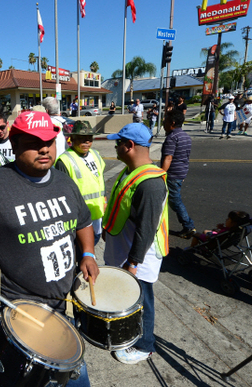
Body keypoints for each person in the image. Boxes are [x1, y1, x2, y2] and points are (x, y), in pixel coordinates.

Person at [0, 110, 98, 386]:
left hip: (63, 308)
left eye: (49, 141)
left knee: (72, 379)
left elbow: (83, 221)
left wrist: (88, 252)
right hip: (22, 310)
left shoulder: (64, 181)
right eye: (33, 142)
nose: (44, 148)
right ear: (14, 144)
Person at [102, 123, 169, 365]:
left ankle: (145, 345)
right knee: (130, 300)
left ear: (129, 146)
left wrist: (133, 263)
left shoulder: (150, 183)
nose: (116, 147)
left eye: (118, 143)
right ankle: (131, 334)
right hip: (124, 250)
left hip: (139, 257)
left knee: (143, 301)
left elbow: (146, 229)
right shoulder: (130, 170)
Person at [55, 121, 106, 245]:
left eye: (89, 138)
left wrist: (104, 201)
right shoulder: (64, 161)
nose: (87, 142)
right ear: (72, 138)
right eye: (82, 138)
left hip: (98, 215)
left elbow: (99, 181)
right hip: (80, 221)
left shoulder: (96, 155)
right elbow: (62, 195)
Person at [161, 110, 196, 238]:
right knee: (170, 199)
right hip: (181, 172)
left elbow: (168, 158)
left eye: (165, 121)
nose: (164, 123)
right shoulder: (186, 136)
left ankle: (188, 226)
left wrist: (161, 174)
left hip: (172, 174)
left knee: (175, 201)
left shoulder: (172, 137)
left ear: (173, 123)